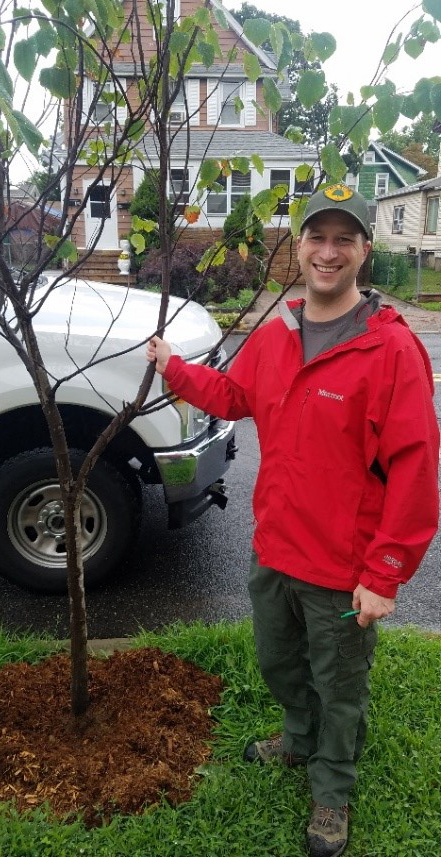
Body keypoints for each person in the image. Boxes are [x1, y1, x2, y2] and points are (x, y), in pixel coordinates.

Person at [146, 184, 439, 857]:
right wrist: (176, 371)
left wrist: (386, 572)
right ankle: (297, 738)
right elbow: (235, 392)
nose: (328, 252)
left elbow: (416, 472)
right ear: (300, 247)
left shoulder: (391, 351)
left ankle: (331, 787)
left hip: (343, 567)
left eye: (344, 239)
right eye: (317, 237)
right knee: (280, 663)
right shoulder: (279, 334)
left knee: (340, 686)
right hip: (275, 549)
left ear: (365, 250)